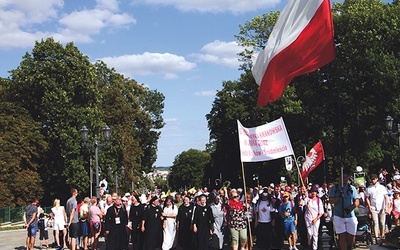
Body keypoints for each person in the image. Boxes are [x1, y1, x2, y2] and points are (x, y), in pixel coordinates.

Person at [329, 171, 360, 250]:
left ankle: (349, 246)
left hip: (350, 215)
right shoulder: (334, 188)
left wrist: (349, 209)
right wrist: (338, 197)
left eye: (346, 177)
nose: (344, 179)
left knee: (351, 236)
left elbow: (357, 201)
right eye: (342, 178)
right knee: (342, 236)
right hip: (338, 215)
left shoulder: (351, 188)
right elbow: (331, 200)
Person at [366, 173, 390, 243]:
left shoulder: (382, 187)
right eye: (371, 179)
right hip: (373, 207)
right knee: (375, 222)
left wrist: (386, 206)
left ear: (377, 179)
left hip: (382, 207)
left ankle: (382, 235)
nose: (372, 180)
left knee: (382, 223)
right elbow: (367, 198)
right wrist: (369, 206)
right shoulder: (369, 188)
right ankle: (377, 237)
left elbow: (386, 197)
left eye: (374, 179)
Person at [304, 186, 324, 250]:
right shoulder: (307, 199)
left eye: (315, 192)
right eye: (312, 191)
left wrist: (316, 219)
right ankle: (309, 244)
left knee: (315, 234)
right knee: (309, 233)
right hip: (308, 218)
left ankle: (315, 247)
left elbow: (321, 212)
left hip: (316, 219)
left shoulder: (319, 201)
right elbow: (301, 204)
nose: (313, 193)